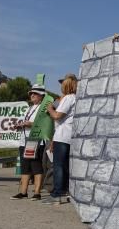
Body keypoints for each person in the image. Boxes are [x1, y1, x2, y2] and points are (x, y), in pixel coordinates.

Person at [10, 85, 50, 200]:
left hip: (35, 140)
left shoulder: (44, 108)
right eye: (31, 93)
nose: (32, 95)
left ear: (42, 96)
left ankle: (37, 193)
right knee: (25, 167)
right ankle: (23, 192)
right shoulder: (30, 107)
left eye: (35, 93)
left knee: (36, 166)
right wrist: (19, 126)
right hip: (24, 140)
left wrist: (29, 124)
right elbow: (27, 122)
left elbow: (45, 124)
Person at [45, 74, 77, 204]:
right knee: (67, 166)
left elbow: (57, 116)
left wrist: (50, 109)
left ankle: (57, 194)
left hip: (62, 135)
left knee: (58, 166)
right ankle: (68, 192)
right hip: (70, 136)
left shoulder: (68, 98)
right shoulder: (76, 98)